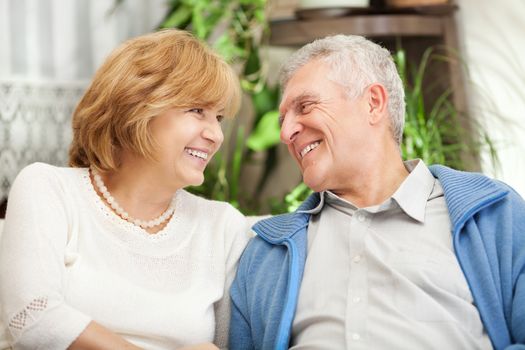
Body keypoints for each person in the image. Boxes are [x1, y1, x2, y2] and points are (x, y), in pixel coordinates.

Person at [229, 34, 525, 349]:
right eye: (283, 120)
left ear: (373, 103)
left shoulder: (494, 214)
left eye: (305, 106)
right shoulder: (265, 254)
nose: (286, 133)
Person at [0, 29, 251, 350]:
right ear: (136, 106)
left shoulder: (223, 226)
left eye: (218, 118)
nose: (216, 135)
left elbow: (227, 345)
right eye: (197, 111)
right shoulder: (48, 189)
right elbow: (32, 319)